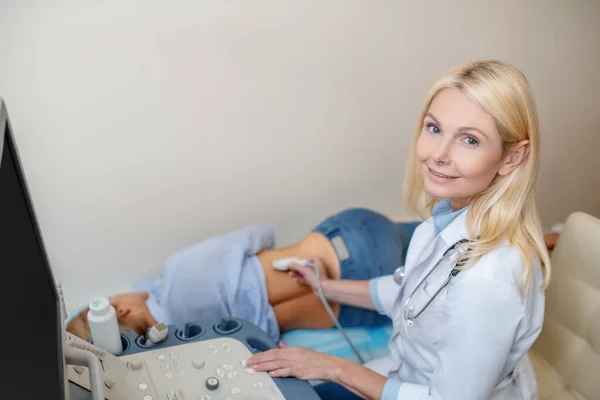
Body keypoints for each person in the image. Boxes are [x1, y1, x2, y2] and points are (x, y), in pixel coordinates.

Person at [247, 60, 552, 400]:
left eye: (469, 140)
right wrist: (325, 286)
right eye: (434, 129)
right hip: (403, 375)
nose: (438, 155)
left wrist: (331, 366)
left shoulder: (487, 280)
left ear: (512, 158)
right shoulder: (445, 220)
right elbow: (410, 293)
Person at [66, 208, 420, 343]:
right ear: (122, 311)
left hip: (362, 310)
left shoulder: (205, 344)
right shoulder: (179, 273)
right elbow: (262, 231)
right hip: (355, 244)